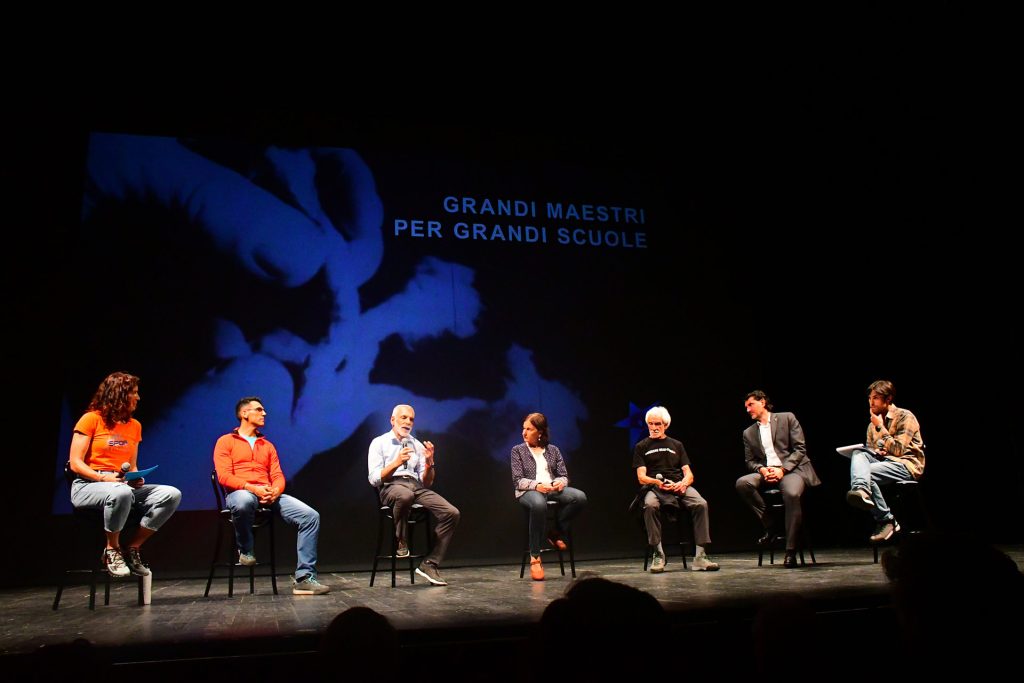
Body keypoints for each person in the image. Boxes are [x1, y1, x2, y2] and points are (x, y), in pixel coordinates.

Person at [68, 371, 181, 578]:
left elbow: (133, 465)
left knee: (171, 494)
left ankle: (133, 547)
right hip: (88, 485)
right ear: (119, 394)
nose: (138, 398)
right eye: (134, 393)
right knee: (120, 492)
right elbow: (75, 463)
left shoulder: (134, 425)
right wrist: (103, 478)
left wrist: (136, 478)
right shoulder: (90, 419)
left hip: (121, 485)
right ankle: (112, 549)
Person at [213, 396, 330, 595]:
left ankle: (304, 578)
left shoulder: (267, 445)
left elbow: (277, 475)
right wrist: (253, 488)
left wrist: (276, 490)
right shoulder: (225, 441)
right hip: (240, 493)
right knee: (244, 500)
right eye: (259, 410)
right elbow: (224, 476)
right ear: (244, 413)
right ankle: (246, 548)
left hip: (268, 495)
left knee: (310, 516)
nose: (264, 413)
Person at [367, 404, 461, 586]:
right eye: (403, 418)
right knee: (404, 496)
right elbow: (374, 479)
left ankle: (430, 563)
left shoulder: (416, 445)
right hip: (391, 486)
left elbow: (426, 483)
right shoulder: (379, 442)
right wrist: (396, 463)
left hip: (415, 486)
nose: (408, 422)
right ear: (392, 420)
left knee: (452, 513)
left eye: (411, 419)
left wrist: (430, 464)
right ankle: (401, 540)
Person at [735, 390, 820, 568]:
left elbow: (799, 449)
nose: (747, 410)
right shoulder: (748, 433)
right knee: (743, 483)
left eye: (750, 405)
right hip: (767, 472)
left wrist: (783, 469)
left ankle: (790, 551)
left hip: (792, 470)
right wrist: (763, 470)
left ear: (763, 402)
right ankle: (771, 525)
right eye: (746, 407)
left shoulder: (787, 418)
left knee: (791, 494)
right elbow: (750, 462)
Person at [633, 406, 719, 571]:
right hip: (655, 487)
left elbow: (689, 473)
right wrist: (658, 483)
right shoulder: (641, 446)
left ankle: (700, 556)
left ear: (665, 424)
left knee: (701, 504)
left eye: (657, 423)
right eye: (650, 424)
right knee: (650, 506)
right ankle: (658, 555)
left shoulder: (676, 445)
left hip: (678, 485)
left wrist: (683, 484)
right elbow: (641, 477)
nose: (654, 427)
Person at [845, 380, 925, 543]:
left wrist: (881, 428)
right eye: (869, 398)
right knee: (859, 453)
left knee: (866, 473)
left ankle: (885, 520)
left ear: (888, 399)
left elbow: (900, 451)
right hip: (884, 464)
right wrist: (877, 452)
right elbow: (872, 450)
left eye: (876, 397)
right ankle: (863, 491)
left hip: (907, 465)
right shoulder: (871, 425)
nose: (871, 402)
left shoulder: (905, 416)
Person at [510, 412, 588, 580]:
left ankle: (556, 532)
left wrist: (560, 482)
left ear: (540, 432)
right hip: (529, 491)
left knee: (579, 497)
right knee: (539, 505)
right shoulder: (518, 451)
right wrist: (537, 485)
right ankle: (535, 557)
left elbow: (564, 475)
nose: (524, 433)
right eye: (523, 429)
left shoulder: (553, 450)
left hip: (552, 489)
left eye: (529, 429)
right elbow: (518, 481)